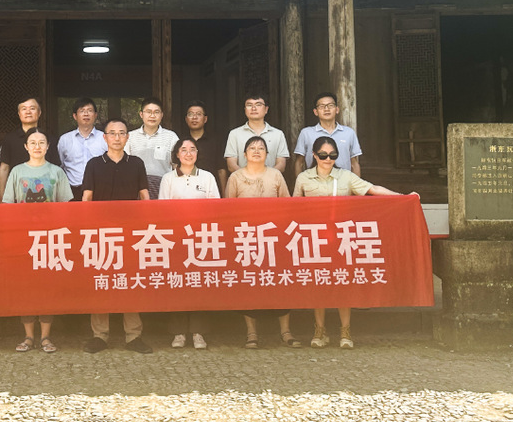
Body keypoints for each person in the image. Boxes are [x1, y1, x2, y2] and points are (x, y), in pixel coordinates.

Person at [294, 135, 405, 350]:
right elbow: (294, 207)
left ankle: (345, 331)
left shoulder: (345, 176)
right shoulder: (303, 178)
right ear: (314, 155)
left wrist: (402, 196)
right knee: (319, 285)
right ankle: (319, 330)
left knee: (343, 283)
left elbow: (372, 189)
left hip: (342, 239)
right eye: (323, 155)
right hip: (315, 240)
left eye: (333, 155)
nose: (328, 159)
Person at [80, 118, 152, 354]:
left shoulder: (136, 163)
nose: (117, 137)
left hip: (131, 233)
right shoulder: (94, 164)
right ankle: (99, 335)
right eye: (112, 133)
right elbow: (87, 198)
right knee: (101, 283)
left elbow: (144, 196)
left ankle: (134, 335)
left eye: (122, 133)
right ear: (105, 137)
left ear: (127, 137)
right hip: (101, 233)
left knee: (130, 283)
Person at [224, 135, 300, 350]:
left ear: (267, 154)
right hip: (246, 238)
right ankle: (251, 333)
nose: (256, 151)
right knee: (249, 286)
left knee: (281, 284)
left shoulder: (276, 175)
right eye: (252, 148)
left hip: (273, 237)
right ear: (244, 154)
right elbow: (227, 210)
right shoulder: (236, 177)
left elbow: (287, 206)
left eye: (261, 148)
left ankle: (286, 331)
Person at [2, 128, 72, 353]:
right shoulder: (17, 171)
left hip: (50, 239)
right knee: (26, 288)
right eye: (32, 142)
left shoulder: (56, 172)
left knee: (47, 288)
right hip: (23, 238)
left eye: (42, 142)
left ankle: (46, 337)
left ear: (48, 146)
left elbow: (65, 206)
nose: (37, 146)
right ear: (26, 146)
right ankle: (28, 336)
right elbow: (8, 205)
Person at [159, 137, 220, 350]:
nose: (188, 153)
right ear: (177, 154)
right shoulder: (168, 178)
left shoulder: (207, 177)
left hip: (201, 239)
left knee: (199, 285)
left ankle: (198, 332)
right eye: (183, 150)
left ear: (197, 153)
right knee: (177, 285)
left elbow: (215, 208)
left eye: (192, 149)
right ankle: (178, 332)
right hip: (175, 239)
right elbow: (163, 210)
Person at [292, 92, 363, 176]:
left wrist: (356, 184)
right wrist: (299, 182)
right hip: (315, 181)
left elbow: (354, 163)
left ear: (337, 109)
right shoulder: (306, 133)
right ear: (316, 112)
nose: (326, 109)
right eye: (322, 106)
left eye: (330, 105)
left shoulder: (349, 132)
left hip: (343, 181)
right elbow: (299, 162)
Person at [0, 95, 60, 190]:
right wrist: (2, 194)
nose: (28, 112)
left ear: (39, 113)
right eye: (24, 109)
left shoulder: (49, 139)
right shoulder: (10, 139)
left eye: (32, 108)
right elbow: (4, 168)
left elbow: (56, 168)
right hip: (17, 191)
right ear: (19, 114)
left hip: (46, 191)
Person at [126, 97, 179, 200]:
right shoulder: (130, 137)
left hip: (163, 187)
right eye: (148, 112)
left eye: (156, 112)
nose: (152, 115)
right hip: (135, 187)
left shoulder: (171, 137)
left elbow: (177, 165)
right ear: (141, 114)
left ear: (162, 115)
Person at [223, 93, 289, 175]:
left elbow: (281, 164)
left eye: (258, 105)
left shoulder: (278, 134)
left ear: (266, 109)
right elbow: (231, 165)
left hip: (270, 181)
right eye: (249, 105)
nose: (253, 108)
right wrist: (248, 177)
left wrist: (266, 177)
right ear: (245, 110)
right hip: (243, 181)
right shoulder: (234, 134)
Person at [57, 97, 107, 201]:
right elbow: (60, 166)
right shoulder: (65, 139)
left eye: (89, 110)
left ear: (95, 115)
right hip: (72, 191)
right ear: (75, 116)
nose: (86, 114)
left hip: (100, 190)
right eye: (82, 111)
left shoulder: (104, 138)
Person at [180, 101, 227, 193]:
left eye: (198, 114)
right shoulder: (181, 142)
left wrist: (224, 194)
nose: (194, 117)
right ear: (186, 119)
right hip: (186, 190)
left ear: (205, 119)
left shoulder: (216, 141)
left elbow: (221, 170)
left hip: (210, 189)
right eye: (190, 114)